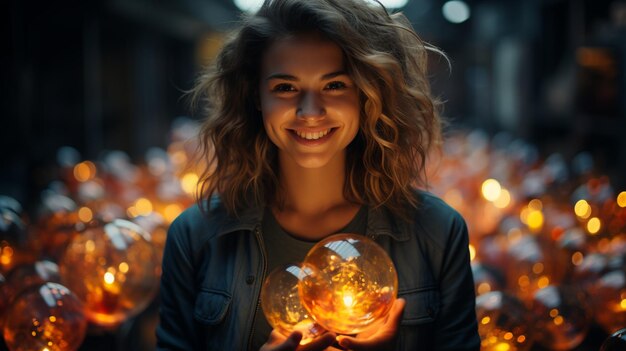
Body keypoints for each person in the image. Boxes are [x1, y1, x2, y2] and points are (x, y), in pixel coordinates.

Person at [156, 0, 480, 350]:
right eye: (285, 87)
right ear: (255, 97)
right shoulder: (196, 237)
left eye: (335, 85)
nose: (310, 112)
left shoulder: (436, 233)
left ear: (369, 95)